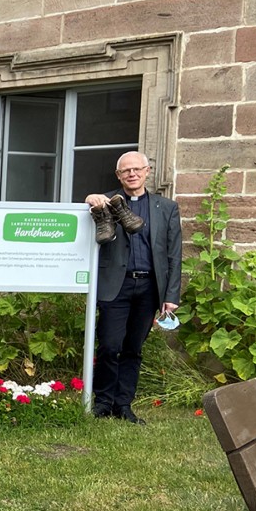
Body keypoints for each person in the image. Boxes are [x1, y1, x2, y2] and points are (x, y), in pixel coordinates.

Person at [85, 151, 182, 424]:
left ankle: (123, 405)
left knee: (133, 348)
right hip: (116, 286)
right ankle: (103, 402)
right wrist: (90, 199)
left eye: (137, 169)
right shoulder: (105, 202)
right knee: (109, 345)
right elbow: (87, 217)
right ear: (119, 175)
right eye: (126, 171)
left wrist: (170, 296)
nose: (132, 174)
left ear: (147, 171)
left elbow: (174, 254)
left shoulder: (167, 208)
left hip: (150, 287)